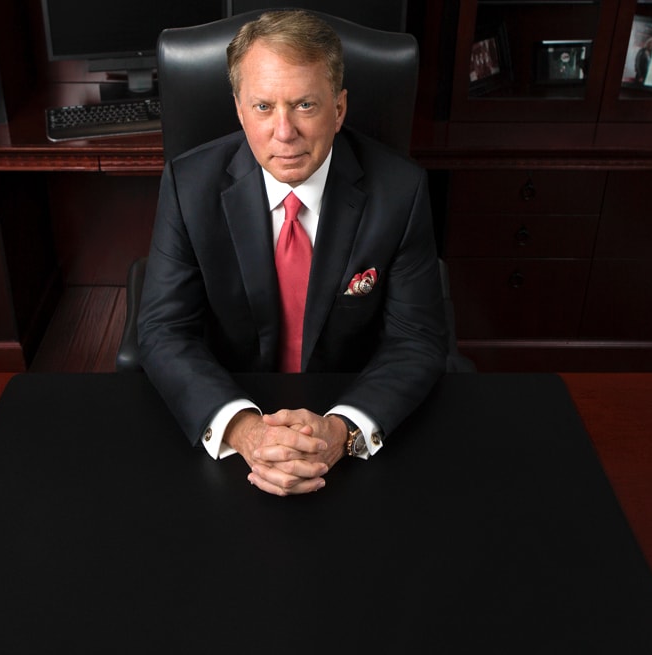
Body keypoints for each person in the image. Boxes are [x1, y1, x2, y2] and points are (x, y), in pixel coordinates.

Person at [138, 10, 446, 497]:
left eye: (304, 105)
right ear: (239, 110)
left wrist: (343, 431)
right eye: (263, 107)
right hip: (231, 412)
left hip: (345, 414)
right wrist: (244, 430)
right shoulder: (188, 185)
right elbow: (163, 329)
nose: (284, 132)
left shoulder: (400, 191)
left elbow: (417, 340)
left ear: (339, 109)